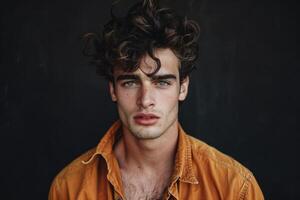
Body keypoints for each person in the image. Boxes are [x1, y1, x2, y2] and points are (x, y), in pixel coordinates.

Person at [48, 0, 264, 199]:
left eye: (162, 82)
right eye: (130, 82)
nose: (146, 100)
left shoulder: (234, 188)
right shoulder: (69, 188)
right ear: (113, 90)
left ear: (183, 87)